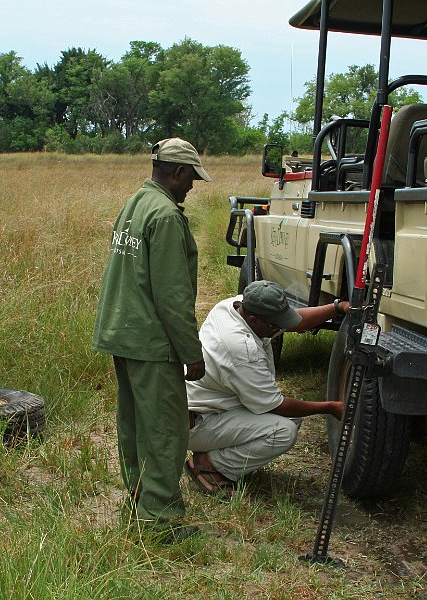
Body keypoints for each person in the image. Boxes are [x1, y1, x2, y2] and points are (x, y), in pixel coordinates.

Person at [93, 137, 210, 540]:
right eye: (191, 177)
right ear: (177, 172)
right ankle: (159, 522)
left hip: (122, 332)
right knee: (164, 430)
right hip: (150, 340)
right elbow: (172, 296)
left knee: (135, 426)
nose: (192, 186)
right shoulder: (164, 215)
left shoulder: (135, 203)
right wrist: (191, 354)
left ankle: (140, 502)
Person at [184, 280, 348, 494]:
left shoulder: (234, 306)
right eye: (276, 326)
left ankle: (220, 453)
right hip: (196, 423)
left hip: (202, 408)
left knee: (286, 418)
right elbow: (275, 405)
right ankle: (210, 465)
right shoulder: (241, 349)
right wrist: (330, 407)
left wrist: (337, 308)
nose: (281, 329)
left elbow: (295, 321)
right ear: (254, 320)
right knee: (283, 429)